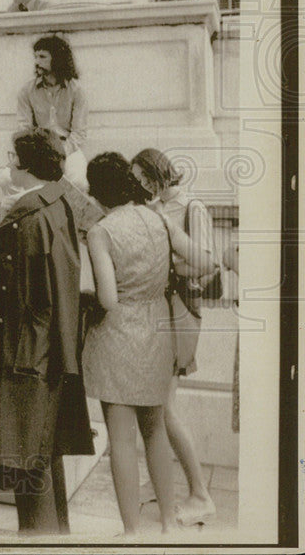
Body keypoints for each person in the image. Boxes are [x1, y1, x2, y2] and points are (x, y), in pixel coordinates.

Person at [0, 128, 94, 535]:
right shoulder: (57, 202)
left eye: (10, 155)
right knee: (41, 462)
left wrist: (23, 367)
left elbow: (37, 300)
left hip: (24, 361)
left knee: (27, 471)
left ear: (25, 164)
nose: (6, 160)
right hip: (41, 356)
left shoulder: (30, 216)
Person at [82, 152, 213, 536]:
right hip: (158, 331)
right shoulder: (159, 218)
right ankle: (170, 522)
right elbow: (206, 263)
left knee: (121, 439)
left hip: (118, 336)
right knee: (155, 429)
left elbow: (107, 299)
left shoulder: (101, 231)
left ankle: (132, 532)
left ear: (96, 193)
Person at [131, 148, 218, 526]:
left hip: (178, 309)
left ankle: (200, 493)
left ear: (158, 174)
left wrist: (163, 255)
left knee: (163, 408)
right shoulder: (154, 207)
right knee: (154, 406)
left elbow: (208, 263)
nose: (140, 184)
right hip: (158, 310)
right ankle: (161, 480)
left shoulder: (191, 206)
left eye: (143, 177)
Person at [16, 35, 88, 190]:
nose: (36, 62)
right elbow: (24, 130)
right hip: (39, 151)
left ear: (57, 58)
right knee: (6, 180)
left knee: (79, 183)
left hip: (68, 149)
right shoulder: (27, 91)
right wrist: (40, 153)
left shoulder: (76, 90)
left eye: (42, 57)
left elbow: (79, 133)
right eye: (35, 57)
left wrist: (60, 154)